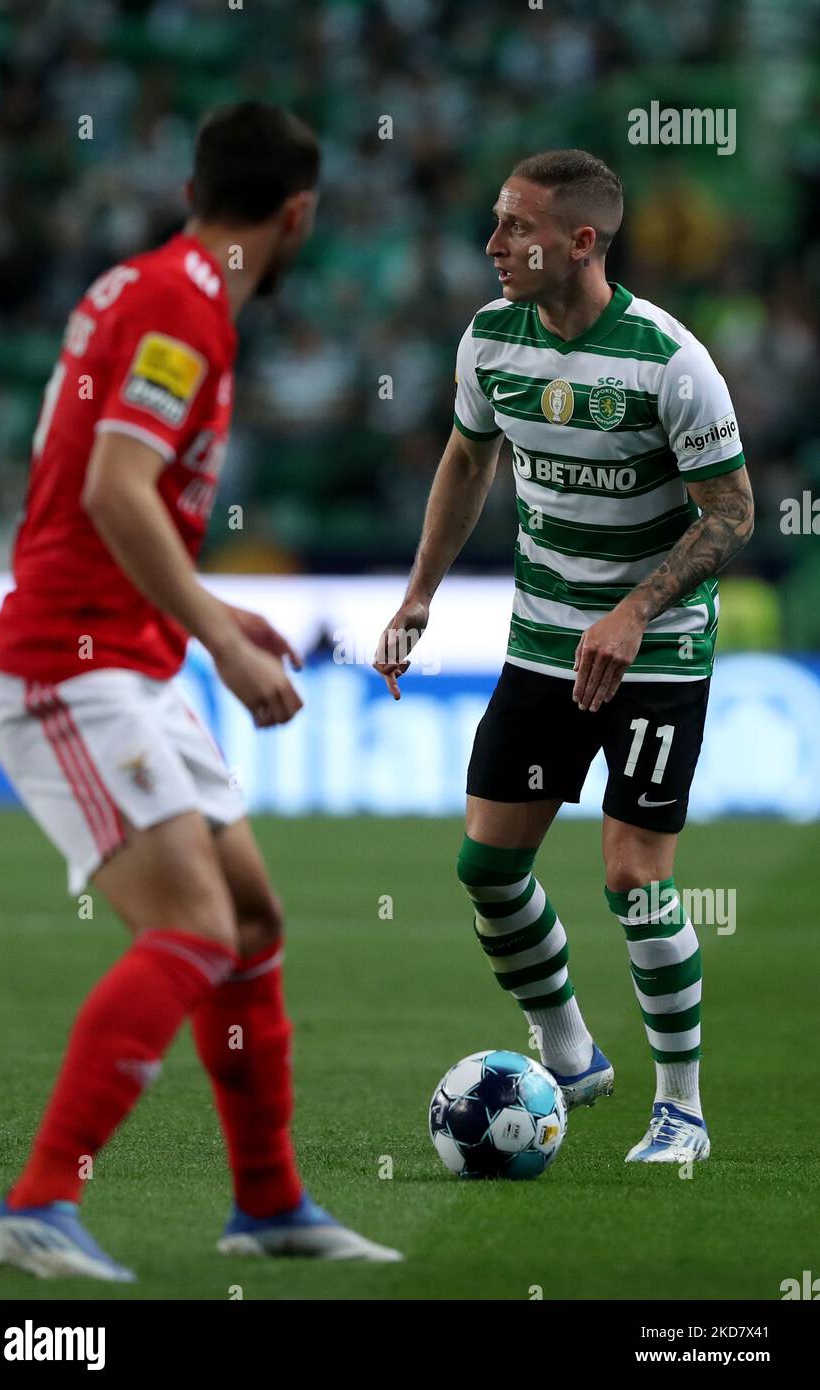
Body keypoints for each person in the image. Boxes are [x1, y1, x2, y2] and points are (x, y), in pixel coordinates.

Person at [0, 101, 400, 1280]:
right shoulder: (181, 305)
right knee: (192, 925)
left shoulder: (149, 283)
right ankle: (36, 1201)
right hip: (70, 663)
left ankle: (268, 1203)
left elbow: (115, 497)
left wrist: (198, 608)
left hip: (131, 651)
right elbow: (113, 489)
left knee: (250, 920)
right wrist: (217, 632)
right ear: (297, 214)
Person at [375, 149, 753, 1165]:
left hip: (656, 652)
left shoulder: (669, 361)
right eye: (495, 223)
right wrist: (419, 594)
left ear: (581, 241)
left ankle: (680, 1110)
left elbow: (732, 510)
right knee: (486, 868)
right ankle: (572, 1049)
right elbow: (466, 458)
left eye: (515, 227)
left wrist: (632, 611)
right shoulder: (490, 339)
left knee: (633, 877)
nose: (494, 245)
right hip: (543, 643)